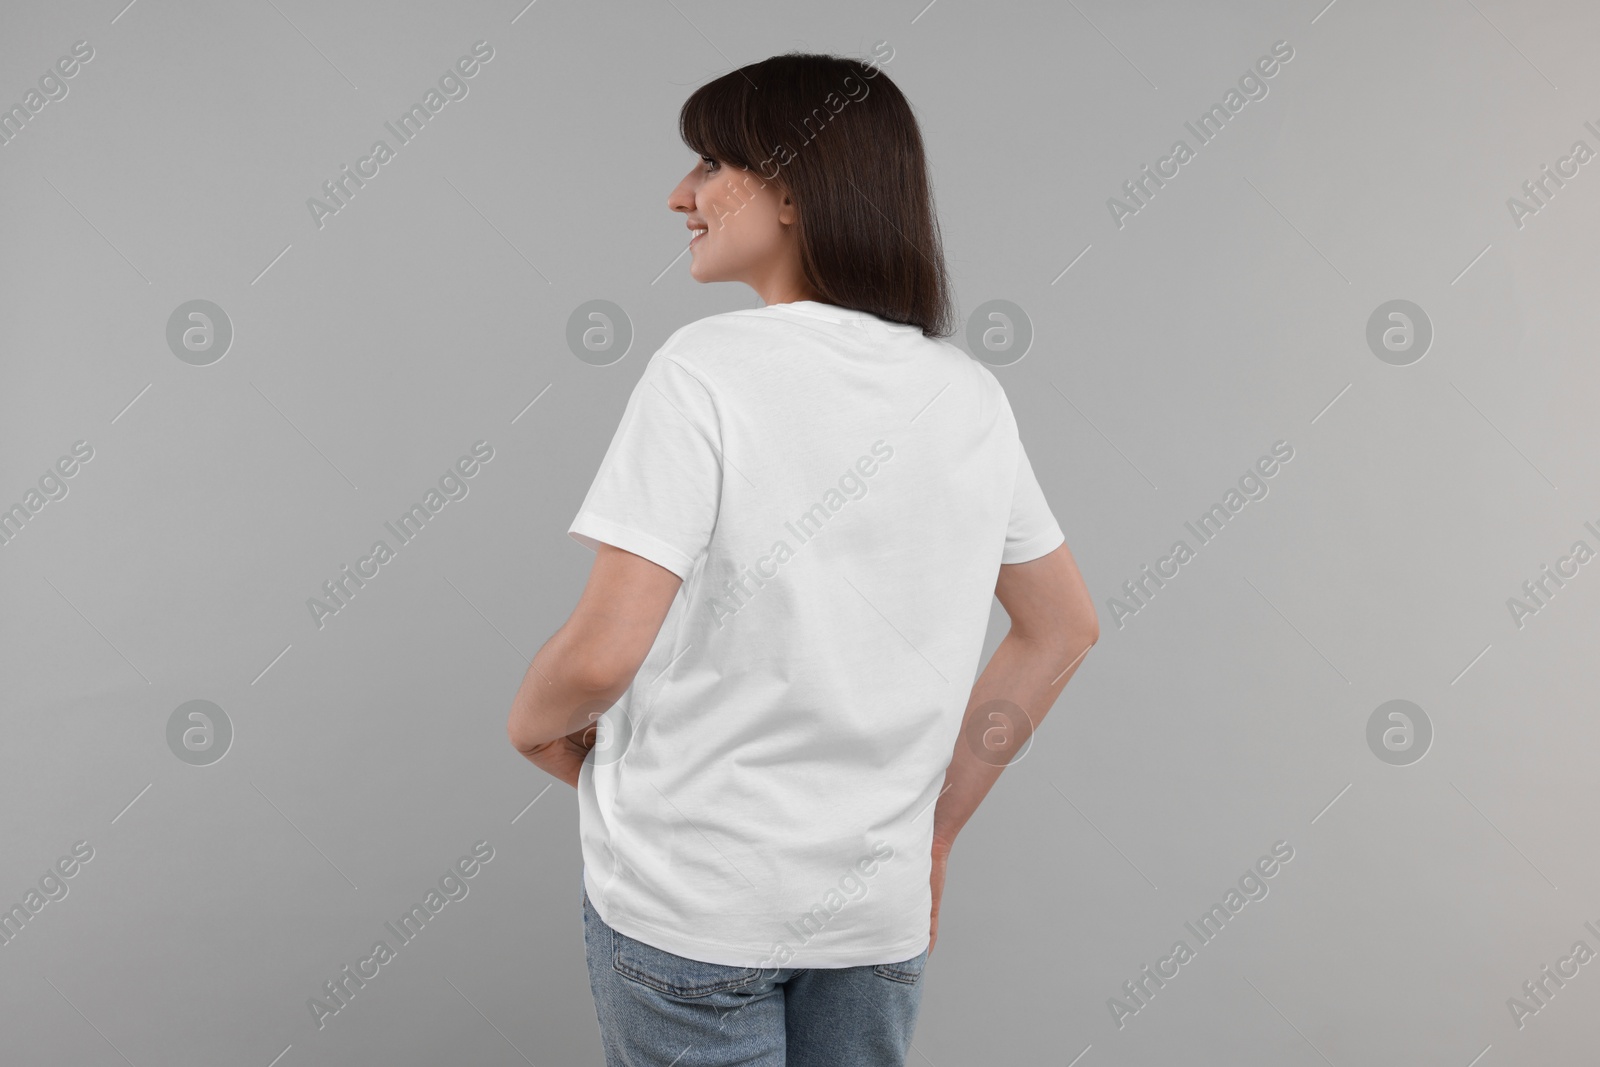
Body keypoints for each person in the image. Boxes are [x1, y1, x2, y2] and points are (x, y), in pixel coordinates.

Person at [505, 50, 1098, 1067]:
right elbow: (1061, 626)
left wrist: (530, 726)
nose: (678, 195)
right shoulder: (964, 393)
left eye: (710, 164)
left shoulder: (704, 369)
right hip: (871, 911)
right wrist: (935, 828)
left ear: (788, 187)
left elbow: (603, 654)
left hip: (693, 905)